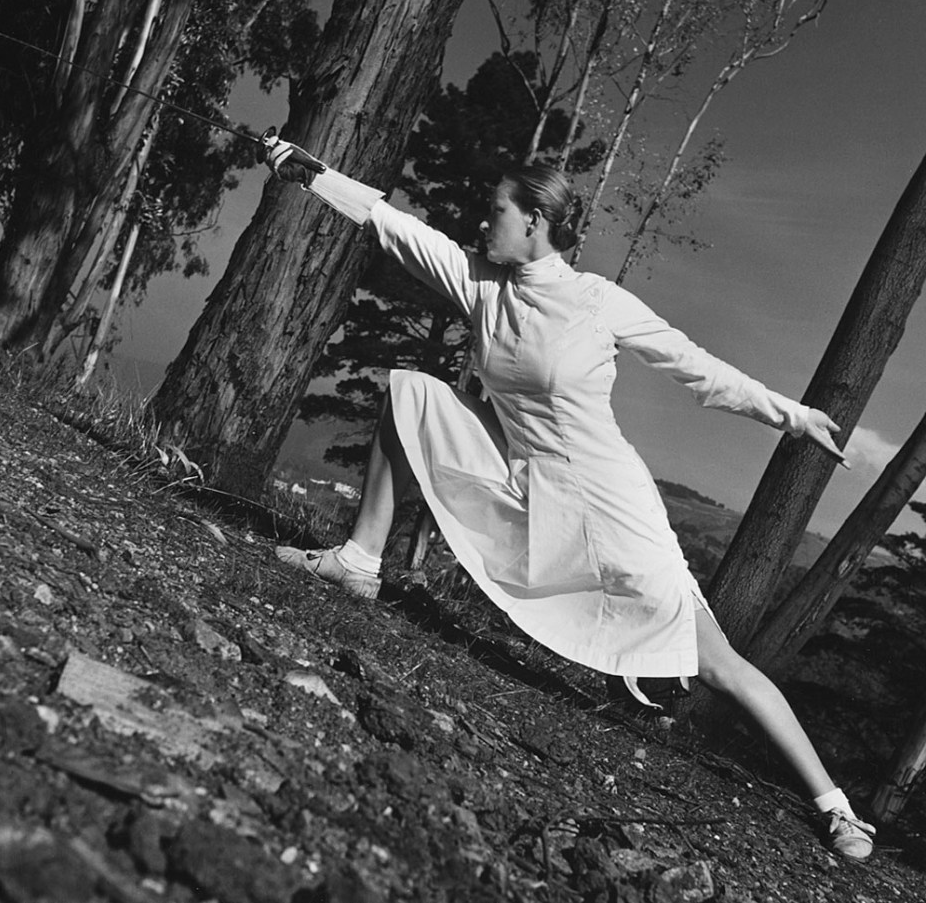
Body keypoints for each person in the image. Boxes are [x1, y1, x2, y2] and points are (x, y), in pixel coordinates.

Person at [264, 137, 876, 861]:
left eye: (497, 210)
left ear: (535, 221)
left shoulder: (596, 301)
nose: (483, 220)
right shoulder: (481, 284)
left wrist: (793, 416)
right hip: (527, 483)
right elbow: (393, 225)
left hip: (612, 507)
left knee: (718, 663)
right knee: (413, 392)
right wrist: (308, 171)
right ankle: (358, 560)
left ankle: (836, 807)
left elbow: (699, 370)